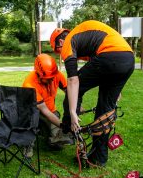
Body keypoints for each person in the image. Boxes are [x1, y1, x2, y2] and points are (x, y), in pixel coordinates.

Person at [50, 20, 135, 166]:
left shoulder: (69, 40)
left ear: (61, 41)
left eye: (58, 50)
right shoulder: (86, 39)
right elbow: (103, 66)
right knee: (105, 112)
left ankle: (68, 128)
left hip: (110, 56)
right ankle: (98, 158)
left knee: (74, 91)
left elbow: (73, 81)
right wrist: (117, 88)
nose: (61, 55)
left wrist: (72, 112)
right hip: (128, 59)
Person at [22, 53, 74, 157]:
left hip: (51, 111)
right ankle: (28, 145)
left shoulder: (56, 75)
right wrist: (64, 127)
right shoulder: (30, 84)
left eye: (52, 77)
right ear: (39, 74)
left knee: (57, 144)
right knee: (33, 120)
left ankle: (53, 138)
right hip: (33, 113)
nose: (51, 80)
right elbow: (45, 111)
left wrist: (76, 106)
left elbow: (69, 91)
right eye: (48, 78)